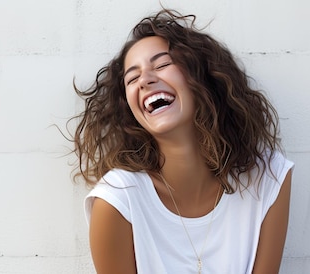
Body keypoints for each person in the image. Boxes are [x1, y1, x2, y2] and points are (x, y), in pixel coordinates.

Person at [70, 9, 294, 274]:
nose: (145, 80)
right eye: (132, 78)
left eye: (162, 64)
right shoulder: (119, 199)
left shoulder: (267, 177)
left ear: (202, 76)